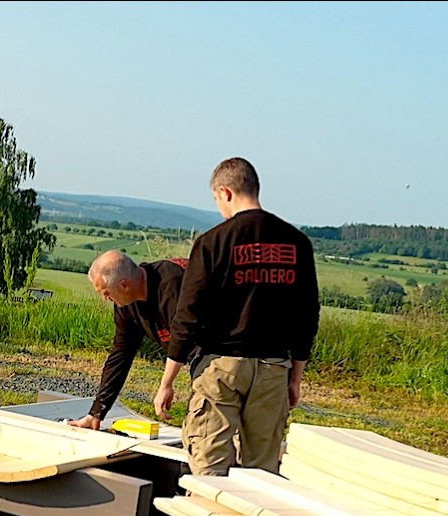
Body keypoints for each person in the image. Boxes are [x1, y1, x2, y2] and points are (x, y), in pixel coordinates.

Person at [156, 157, 320, 477]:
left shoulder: (212, 242)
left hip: (221, 368)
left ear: (226, 192)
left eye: (217, 200)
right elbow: (307, 317)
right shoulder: (297, 243)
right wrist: (295, 378)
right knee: (262, 474)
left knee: (208, 464)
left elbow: (187, 317)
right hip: (274, 368)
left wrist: (167, 382)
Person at [66, 250, 192, 431]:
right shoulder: (126, 305)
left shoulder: (172, 284)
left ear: (124, 285)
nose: (105, 299)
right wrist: (96, 413)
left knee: (207, 420)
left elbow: (184, 336)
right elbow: (121, 355)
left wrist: (166, 384)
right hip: (202, 352)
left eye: (106, 293)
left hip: (224, 345)